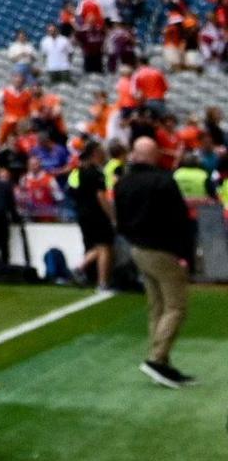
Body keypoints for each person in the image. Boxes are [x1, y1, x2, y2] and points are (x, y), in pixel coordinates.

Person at [114, 136, 196, 387]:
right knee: (176, 307)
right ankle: (157, 359)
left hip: (138, 249)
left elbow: (120, 219)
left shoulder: (123, 182)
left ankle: (162, 363)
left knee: (157, 307)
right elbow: (180, 220)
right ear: (155, 155)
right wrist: (186, 255)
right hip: (163, 250)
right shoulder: (163, 181)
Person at [65, 139, 116, 289]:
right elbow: (101, 196)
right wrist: (112, 216)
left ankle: (81, 269)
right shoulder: (97, 173)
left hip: (83, 213)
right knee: (105, 246)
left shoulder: (80, 172)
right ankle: (101, 281)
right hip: (96, 214)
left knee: (97, 246)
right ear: (95, 153)